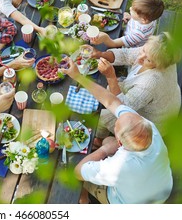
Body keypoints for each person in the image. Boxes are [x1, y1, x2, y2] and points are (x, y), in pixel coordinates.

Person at [60, 57, 173, 204]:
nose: (118, 118)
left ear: (120, 142)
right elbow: (111, 101)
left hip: (127, 203)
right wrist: (77, 76)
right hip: (161, 189)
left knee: (71, 171)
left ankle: (84, 200)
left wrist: (106, 150)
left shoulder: (118, 167)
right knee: (106, 140)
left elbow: (78, 171)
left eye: (116, 126)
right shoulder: (148, 127)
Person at [91, 33, 181, 145]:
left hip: (154, 122)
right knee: (109, 90)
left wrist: (111, 77)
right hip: (164, 100)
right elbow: (127, 54)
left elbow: (123, 107)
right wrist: (100, 54)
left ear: (159, 65)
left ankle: (98, 141)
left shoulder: (151, 82)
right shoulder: (159, 53)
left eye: (148, 60)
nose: (139, 58)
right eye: (143, 50)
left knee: (104, 116)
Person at [90, 0, 164, 48]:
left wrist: (105, 37)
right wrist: (131, 17)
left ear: (143, 20)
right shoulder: (150, 18)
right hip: (130, 32)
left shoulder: (138, 34)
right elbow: (139, 19)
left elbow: (114, 44)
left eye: (133, 11)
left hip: (130, 47)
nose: (130, 8)